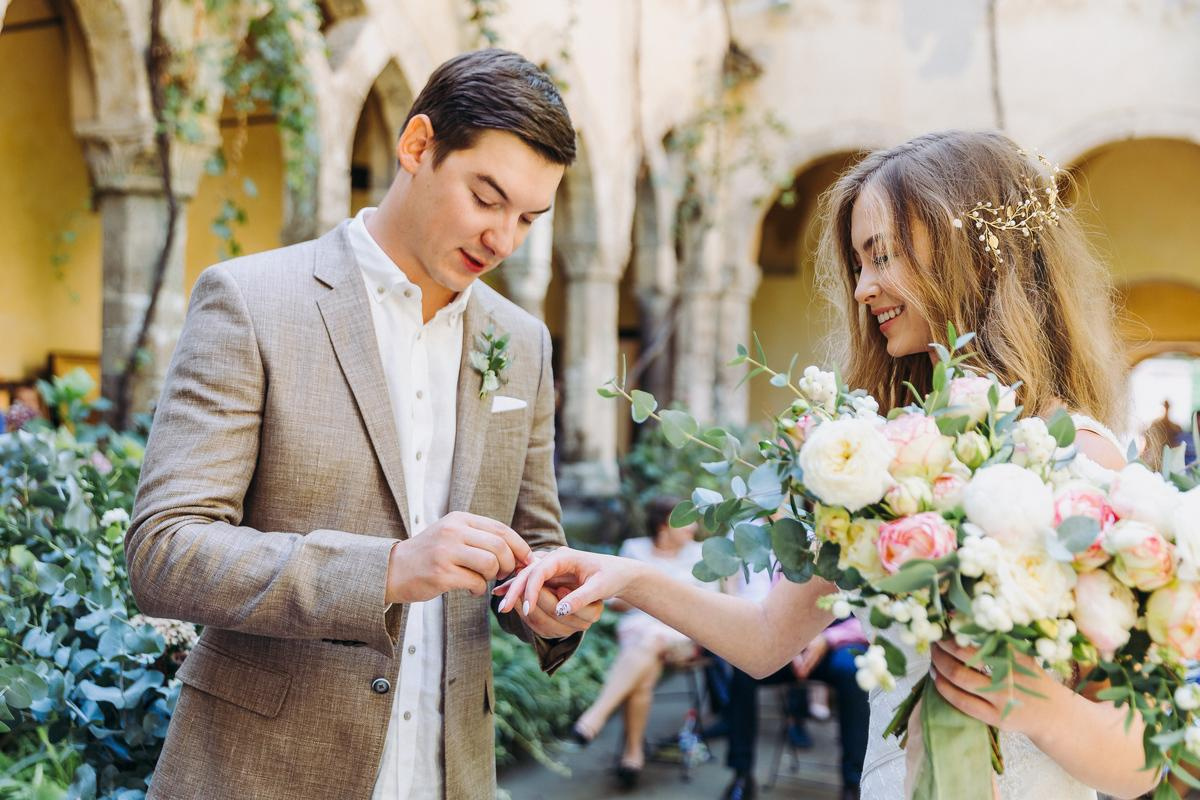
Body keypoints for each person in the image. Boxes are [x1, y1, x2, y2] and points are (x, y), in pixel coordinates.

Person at [498, 131, 1159, 800]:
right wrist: (627, 578)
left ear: (968, 256)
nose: (865, 287)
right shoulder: (875, 456)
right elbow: (765, 641)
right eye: (858, 263)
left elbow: (1140, 769)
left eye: (881, 256)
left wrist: (1034, 704)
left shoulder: (1081, 457)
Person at [127, 49, 602, 800]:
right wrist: (382, 571)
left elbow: (533, 543)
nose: (504, 240)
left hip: (451, 777)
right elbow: (165, 550)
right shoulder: (251, 302)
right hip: (261, 773)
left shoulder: (524, 343)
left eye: (528, 219)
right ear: (417, 147)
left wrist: (550, 607)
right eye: (487, 198)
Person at [569, 496, 716, 788]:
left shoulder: (701, 553)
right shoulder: (634, 549)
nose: (694, 526)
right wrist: (630, 595)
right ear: (664, 524)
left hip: (680, 635)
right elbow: (613, 601)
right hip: (639, 634)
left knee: (650, 638)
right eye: (686, 519)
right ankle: (632, 754)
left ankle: (597, 718)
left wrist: (651, 597)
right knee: (645, 669)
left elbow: (710, 605)